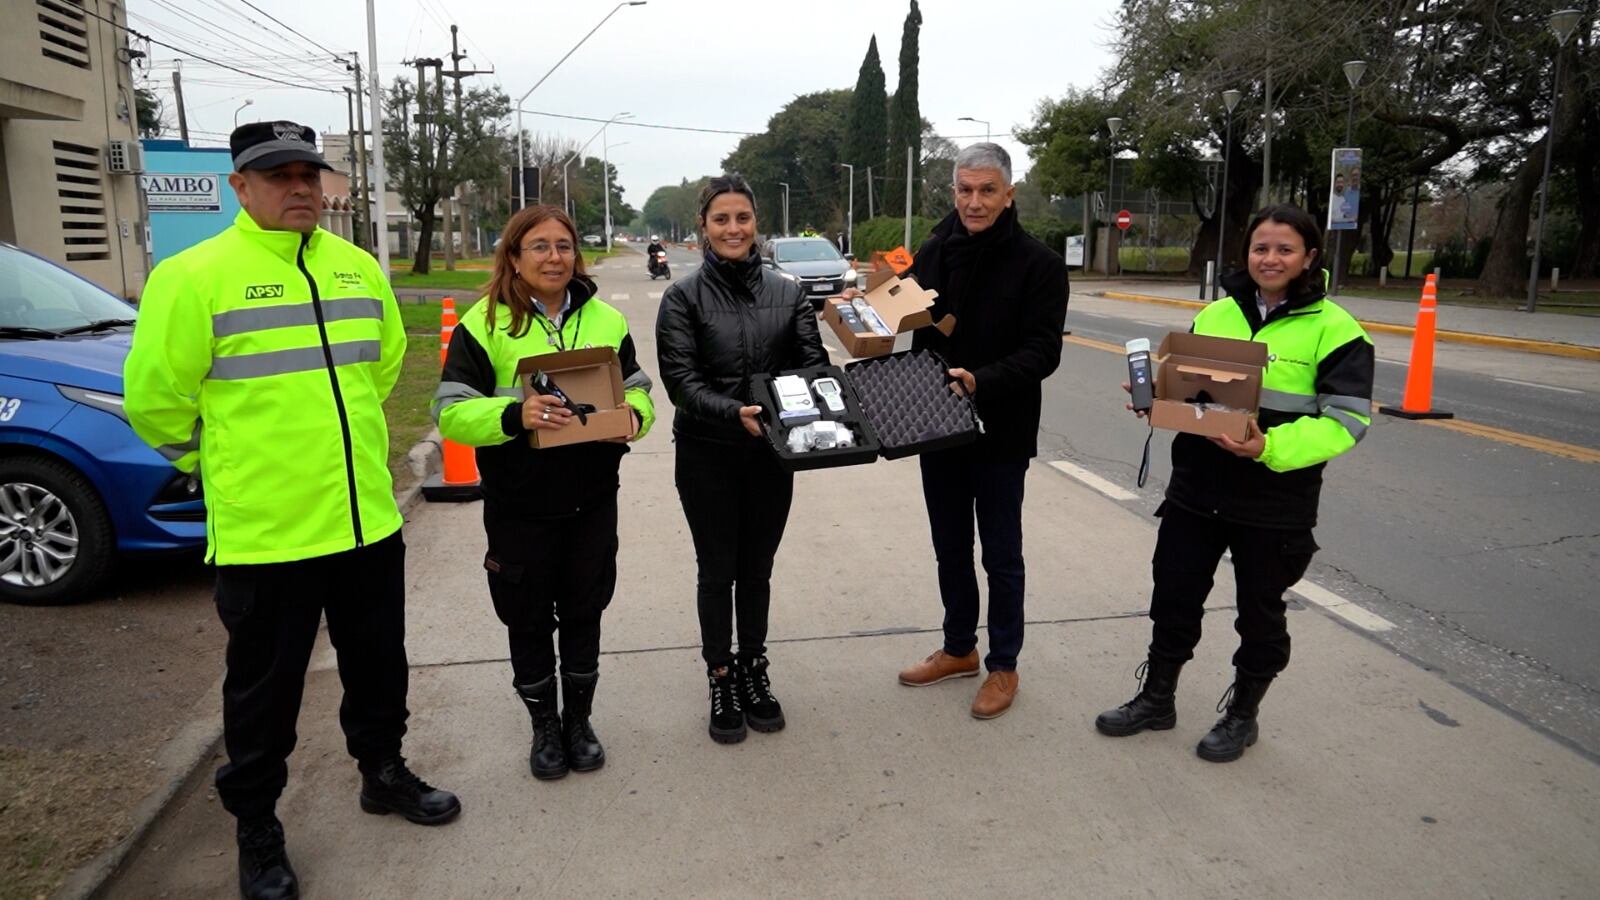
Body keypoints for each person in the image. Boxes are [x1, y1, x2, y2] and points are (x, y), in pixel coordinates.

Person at [124, 121, 460, 900]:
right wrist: (226, 466)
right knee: (263, 695)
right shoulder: (194, 276)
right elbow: (156, 405)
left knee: (379, 667)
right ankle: (258, 826)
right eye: (278, 175)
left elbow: (382, 369)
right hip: (266, 533)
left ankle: (383, 771)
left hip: (367, 522)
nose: (301, 187)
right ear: (239, 188)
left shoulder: (355, 268)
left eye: (309, 172)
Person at [1094, 203, 1373, 762]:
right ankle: (1158, 698)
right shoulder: (1215, 314)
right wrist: (1157, 403)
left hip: (1275, 501)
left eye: (1285, 249)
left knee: (1260, 615)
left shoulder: (1338, 330)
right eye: (1260, 248)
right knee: (1173, 596)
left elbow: (1347, 421)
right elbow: (1188, 388)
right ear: (1246, 253)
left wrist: (1269, 447)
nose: (1270, 258)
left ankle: (1242, 715)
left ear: (1309, 257)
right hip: (1197, 489)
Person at [434, 205, 654, 781]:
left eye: (563, 246)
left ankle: (579, 721)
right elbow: (451, 415)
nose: (554, 257)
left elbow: (637, 389)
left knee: (585, 610)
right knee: (527, 618)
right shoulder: (481, 325)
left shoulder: (607, 320)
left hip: (591, 500)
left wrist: (635, 416)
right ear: (514, 256)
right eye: (539, 246)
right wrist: (515, 413)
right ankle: (543, 725)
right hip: (520, 505)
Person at [889, 143, 1069, 719]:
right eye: (965, 190)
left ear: (1008, 194)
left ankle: (1003, 664)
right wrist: (862, 310)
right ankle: (959, 648)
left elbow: (1043, 352)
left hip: (1000, 428)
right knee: (949, 546)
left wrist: (982, 380)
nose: (974, 201)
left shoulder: (1038, 264)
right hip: (935, 422)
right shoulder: (935, 250)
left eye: (987, 190)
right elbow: (904, 313)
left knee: (1001, 554)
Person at [655, 175, 828, 744]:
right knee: (717, 569)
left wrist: (806, 404)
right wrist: (735, 413)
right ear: (703, 227)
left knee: (757, 570)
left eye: (743, 218)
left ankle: (754, 668)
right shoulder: (682, 297)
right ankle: (721, 674)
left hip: (772, 455)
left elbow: (812, 364)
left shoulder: (790, 290)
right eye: (722, 219)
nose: (733, 229)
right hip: (708, 455)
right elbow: (680, 381)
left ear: (757, 224)